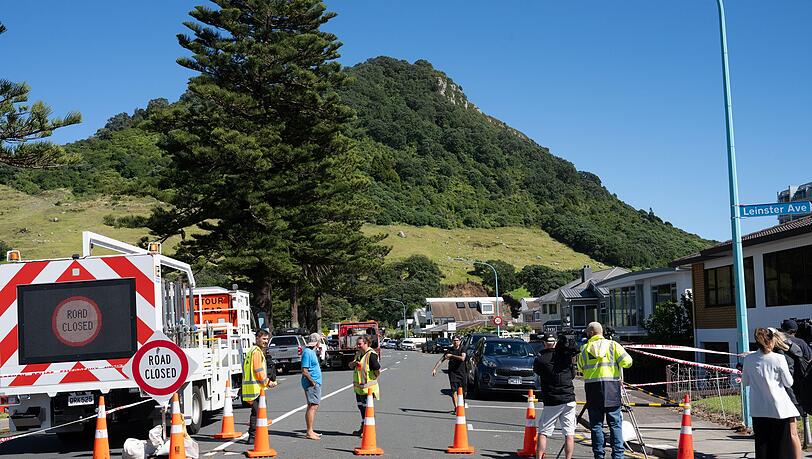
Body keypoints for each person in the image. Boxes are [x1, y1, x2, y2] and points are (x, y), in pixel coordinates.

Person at [577, 322, 632, 459]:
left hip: (593, 391)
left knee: (596, 426)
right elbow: (628, 362)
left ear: (590, 333)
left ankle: (599, 455)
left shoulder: (584, 349)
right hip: (612, 389)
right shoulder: (613, 346)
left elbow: (579, 368)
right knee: (615, 425)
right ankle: (618, 455)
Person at [741, 327, 799, 459]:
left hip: (758, 409)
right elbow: (788, 383)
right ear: (772, 341)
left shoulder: (749, 359)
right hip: (778, 409)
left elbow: (745, 382)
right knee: (781, 448)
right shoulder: (778, 358)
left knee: (762, 448)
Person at [534, 333, 579, 459]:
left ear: (544, 343)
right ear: (555, 343)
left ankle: (539, 457)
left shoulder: (541, 359)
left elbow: (537, 372)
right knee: (569, 433)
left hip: (552, 399)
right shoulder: (566, 357)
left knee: (543, 432)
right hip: (569, 398)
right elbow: (572, 375)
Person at [770, 329, 803, 459]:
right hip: (796, 394)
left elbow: (786, 380)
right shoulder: (792, 348)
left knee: (789, 433)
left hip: (786, 397)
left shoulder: (778, 354)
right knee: (792, 433)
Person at [242, 328, 277, 444]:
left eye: (267, 339)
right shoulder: (256, 352)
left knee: (255, 412)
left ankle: (253, 436)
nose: (266, 341)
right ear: (257, 338)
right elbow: (258, 371)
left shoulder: (251, 350)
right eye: (263, 339)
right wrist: (268, 382)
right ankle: (253, 437)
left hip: (252, 388)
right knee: (258, 413)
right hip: (256, 389)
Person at [349, 334, 380, 435]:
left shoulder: (371, 355)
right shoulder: (359, 354)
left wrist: (374, 378)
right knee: (361, 408)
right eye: (357, 344)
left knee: (368, 409)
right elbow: (351, 365)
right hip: (359, 388)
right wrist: (353, 364)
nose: (357, 346)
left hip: (368, 388)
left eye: (359, 344)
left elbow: (377, 369)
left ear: (366, 343)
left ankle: (369, 431)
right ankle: (363, 427)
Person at [431, 335, 467, 412]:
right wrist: (435, 369)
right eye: (454, 340)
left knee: (464, 391)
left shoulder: (462, 349)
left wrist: (452, 356)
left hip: (462, 372)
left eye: (457, 340)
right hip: (453, 373)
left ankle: (462, 404)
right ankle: (456, 407)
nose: (455, 342)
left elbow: (462, 358)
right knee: (454, 390)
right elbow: (441, 360)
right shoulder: (449, 350)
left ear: (460, 342)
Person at [301, 332, 323, 440]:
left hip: (314, 382)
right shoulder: (307, 352)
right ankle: (309, 431)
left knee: (314, 406)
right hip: (311, 384)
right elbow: (304, 371)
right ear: (317, 342)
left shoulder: (311, 352)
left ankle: (311, 430)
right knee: (312, 406)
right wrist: (313, 382)